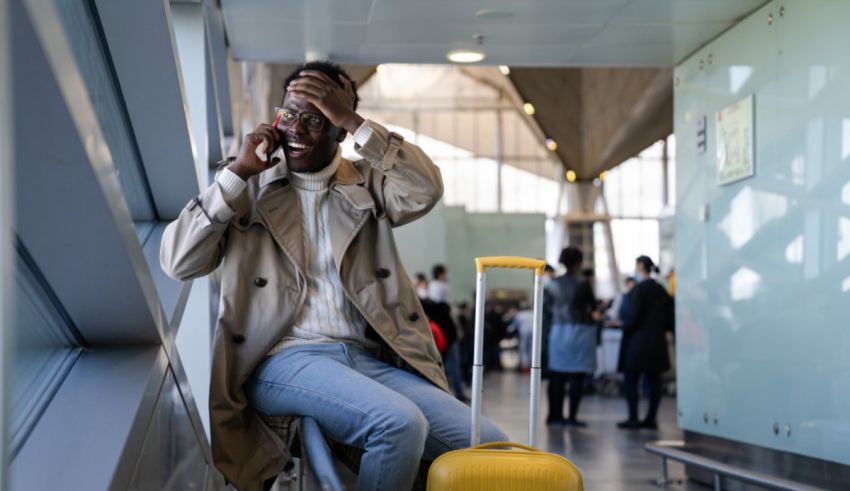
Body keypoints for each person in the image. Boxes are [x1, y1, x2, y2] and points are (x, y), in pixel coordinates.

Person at [160, 61, 506, 491]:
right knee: (397, 425)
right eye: (288, 114)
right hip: (280, 359)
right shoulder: (247, 187)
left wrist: (354, 118)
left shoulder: (368, 185)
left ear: (340, 129)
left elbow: (424, 189)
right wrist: (238, 176)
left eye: (316, 118)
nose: (297, 129)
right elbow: (178, 262)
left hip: (365, 359)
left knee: (490, 445)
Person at [617, 255, 674, 430]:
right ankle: (651, 418)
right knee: (653, 380)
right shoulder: (661, 290)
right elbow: (670, 317)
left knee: (631, 379)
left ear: (640, 266)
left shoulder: (638, 290)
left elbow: (632, 316)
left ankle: (633, 418)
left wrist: (624, 326)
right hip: (656, 342)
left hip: (637, 342)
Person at [546, 247, 600, 427]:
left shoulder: (551, 284)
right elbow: (593, 309)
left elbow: (545, 311)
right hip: (579, 335)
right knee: (576, 378)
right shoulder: (583, 284)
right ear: (578, 263)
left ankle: (554, 416)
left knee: (556, 378)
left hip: (557, 334)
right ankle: (572, 418)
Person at [507, 301, 534, 372]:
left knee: (523, 349)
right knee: (531, 349)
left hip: (523, 333)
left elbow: (512, 327)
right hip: (533, 333)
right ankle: (531, 366)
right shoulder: (533, 314)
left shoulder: (519, 315)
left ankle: (525, 366)